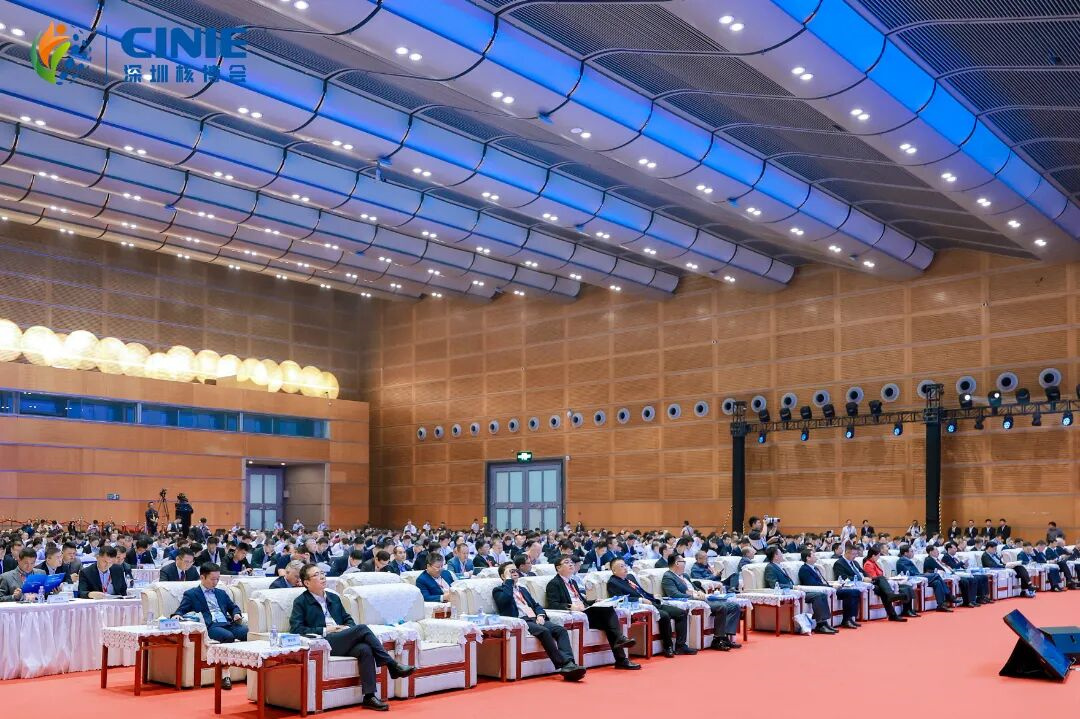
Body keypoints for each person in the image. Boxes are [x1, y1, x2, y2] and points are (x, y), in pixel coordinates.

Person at [290, 564, 414, 711]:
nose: (322, 576)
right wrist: (325, 629)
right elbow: (296, 629)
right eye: (316, 575)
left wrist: (347, 628)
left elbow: (347, 619)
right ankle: (391, 665)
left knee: (365, 649)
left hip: (342, 638)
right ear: (307, 582)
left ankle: (369, 697)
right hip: (324, 641)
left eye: (322, 573)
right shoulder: (301, 602)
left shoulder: (333, 597)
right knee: (362, 628)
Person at [492, 562, 585, 680]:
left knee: (560, 630)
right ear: (503, 576)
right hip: (522, 621)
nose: (514, 573)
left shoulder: (523, 589)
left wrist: (540, 615)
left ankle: (569, 662)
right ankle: (565, 665)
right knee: (544, 631)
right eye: (510, 571)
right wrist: (509, 581)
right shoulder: (498, 590)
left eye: (515, 570)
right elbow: (504, 600)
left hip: (535, 618)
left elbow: (536, 605)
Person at [545, 556, 639, 670]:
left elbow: (581, 601)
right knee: (609, 617)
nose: (571, 564)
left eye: (571, 562)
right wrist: (570, 607)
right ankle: (621, 649)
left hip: (585, 612)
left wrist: (594, 601)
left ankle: (621, 658)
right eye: (566, 562)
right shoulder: (554, 583)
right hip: (577, 614)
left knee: (609, 619)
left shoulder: (572, 582)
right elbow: (553, 604)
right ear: (558, 568)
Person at [173, 563, 247, 684]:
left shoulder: (221, 593)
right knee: (228, 636)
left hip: (227, 623)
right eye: (213, 579)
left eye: (218, 579)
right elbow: (181, 610)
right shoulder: (192, 594)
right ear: (202, 577)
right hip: (211, 626)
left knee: (246, 632)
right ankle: (225, 674)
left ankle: (249, 671)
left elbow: (233, 607)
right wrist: (177, 615)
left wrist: (236, 614)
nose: (216, 582)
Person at [607, 557, 694, 657]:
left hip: (652, 602)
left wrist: (653, 596)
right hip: (640, 606)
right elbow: (620, 599)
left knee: (681, 613)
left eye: (625, 565)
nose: (625, 568)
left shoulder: (630, 577)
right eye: (621, 566)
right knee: (664, 615)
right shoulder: (613, 583)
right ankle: (668, 646)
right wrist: (641, 600)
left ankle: (681, 646)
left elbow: (641, 592)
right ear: (614, 570)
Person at [662, 554, 742, 649]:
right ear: (677, 563)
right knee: (721, 607)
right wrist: (694, 596)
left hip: (702, 598)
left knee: (734, 606)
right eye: (683, 562)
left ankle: (726, 638)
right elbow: (674, 594)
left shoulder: (685, 575)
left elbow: (694, 588)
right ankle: (718, 639)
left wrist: (699, 591)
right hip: (693, 602)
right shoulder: (668, 577)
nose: (685, 564)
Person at [762, 547, 836, 634]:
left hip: (794, 591)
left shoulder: (779, 566)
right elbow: (774, 584)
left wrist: (794, 587)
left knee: (822, 594)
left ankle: (824, 623)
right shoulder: (770, 568)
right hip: (788, 593)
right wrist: (792, 587)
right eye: (780, 553)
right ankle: (820, 625)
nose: (783, 555)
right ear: (775, 556)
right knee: (818, 596)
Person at [833, 543, 910, 622]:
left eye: (856, 554)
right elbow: (843, 577)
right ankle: (892, 608)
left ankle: (891, 602)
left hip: (866, 582)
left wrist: (869, 578)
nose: (855, 556)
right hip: (855, 583)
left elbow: (863, 572)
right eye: (853, 554)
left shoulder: (854, 562)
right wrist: (863, 579)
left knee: (881, 580)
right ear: (847, 553)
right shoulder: (839, 563)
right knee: (882, 588)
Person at [798, 548, 860, 629]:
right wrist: (830, 587)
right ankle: (823, 624)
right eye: (813, 555)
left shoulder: (815, 568)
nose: (816, 556)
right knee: (850, 593)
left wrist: (833, 584)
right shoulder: (804, 569)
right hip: (818, 590)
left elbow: (823, 581)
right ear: (808, 558)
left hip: (827, 588)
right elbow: (813, 584)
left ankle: (848, 618)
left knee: (854, 592)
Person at [896, 543, 955, 611]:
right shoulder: (902, 561)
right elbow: (911, 573)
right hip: (913, 577)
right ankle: (948, 595)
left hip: (916, 575)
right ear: (905, 553)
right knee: (936, 575)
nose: (913, 553)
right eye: (911, 551)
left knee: (937, 582)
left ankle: (941, 605)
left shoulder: (906, 560)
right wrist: (921, 574)